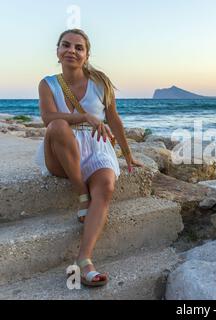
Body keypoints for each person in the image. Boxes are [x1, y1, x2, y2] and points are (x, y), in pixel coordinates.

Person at [35, 29, 143, 287]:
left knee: (106, 186)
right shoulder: (48, 83)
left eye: (78, 47)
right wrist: (85, 117)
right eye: (66, 45)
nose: (71, 50)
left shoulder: (100, 82)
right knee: (59, 126)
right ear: (58, 52)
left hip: (97, 148)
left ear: (86, 55)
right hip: (61, 151)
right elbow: (48, 118)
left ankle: (84, 260)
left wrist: (128, 155)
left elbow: (114, 118)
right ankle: (82, 193)